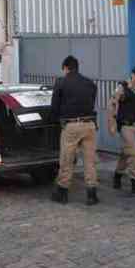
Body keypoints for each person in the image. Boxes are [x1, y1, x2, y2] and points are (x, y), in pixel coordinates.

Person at [50, 55, 100, 206]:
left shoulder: (61, 82)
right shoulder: (90, 84)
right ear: (77, 67)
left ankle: (62, 192)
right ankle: (92, 194)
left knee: (67, 159)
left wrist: (54, 121)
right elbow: (91, 103)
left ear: (65, 68)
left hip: (71, 126)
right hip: (89, 125)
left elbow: (54, 108)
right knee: (89, 161)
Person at [108, 64, 135, 195]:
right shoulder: (122, 88)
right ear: (133, 75)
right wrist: (112, 124)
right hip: (125, 126)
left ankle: (117, 175)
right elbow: (112, 106)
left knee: (126, 153)